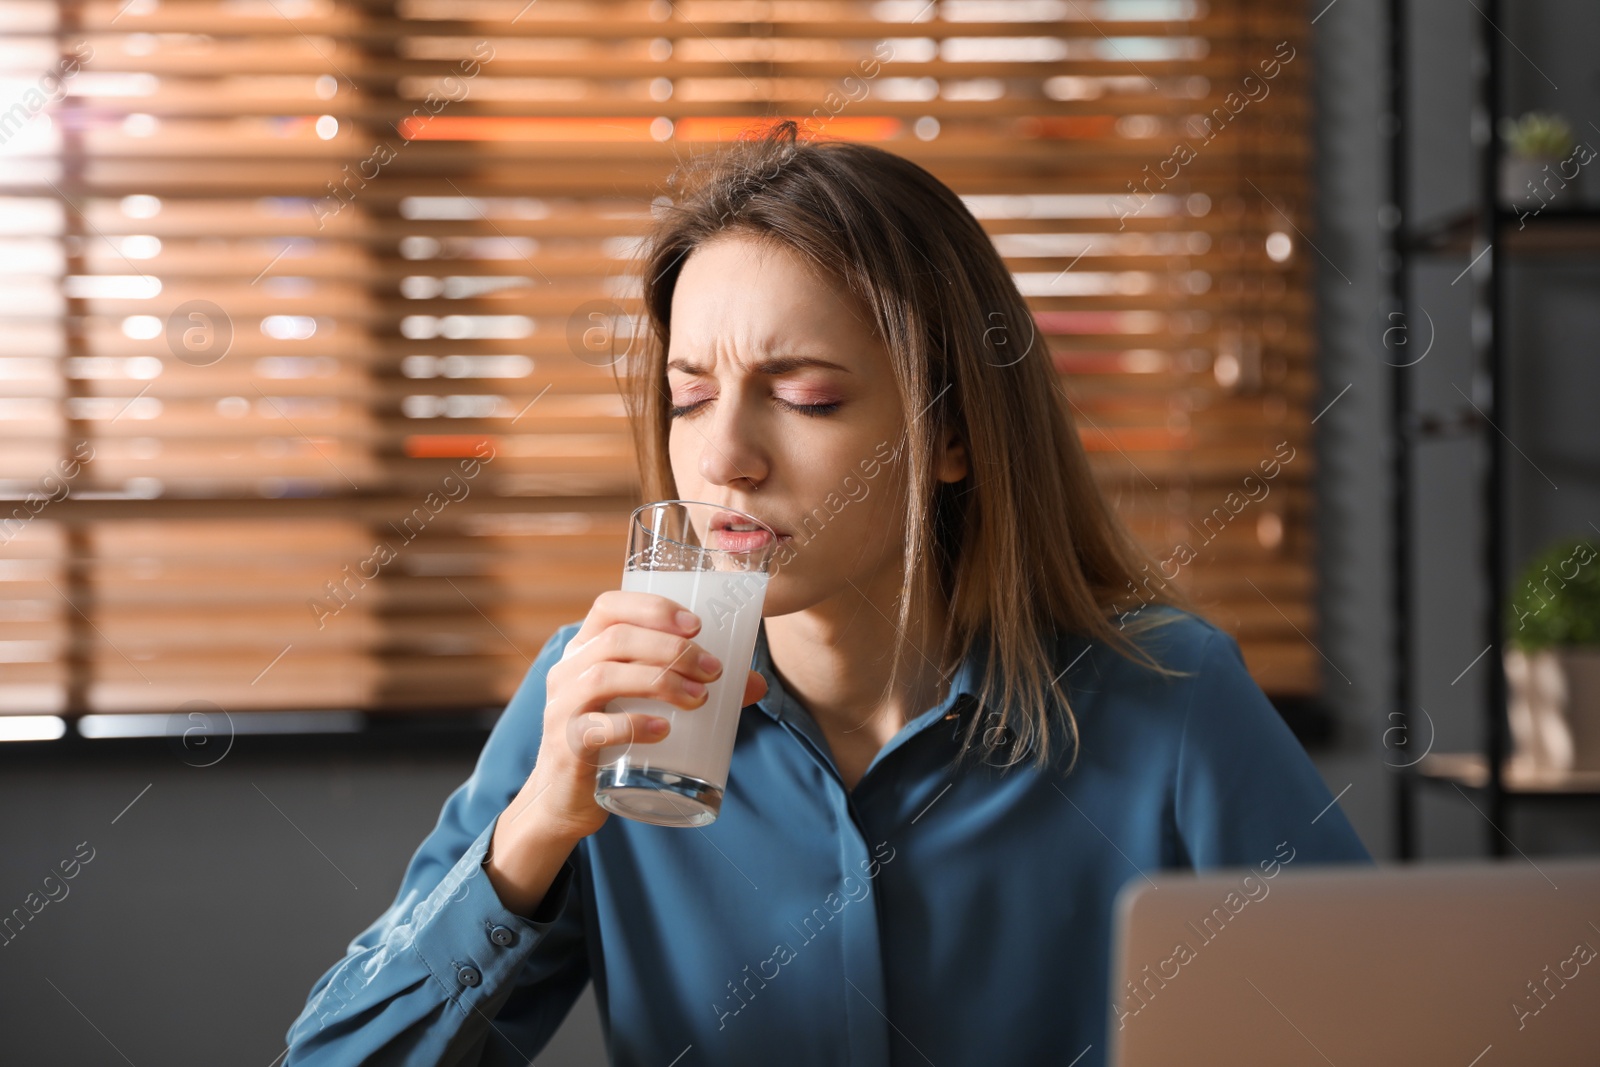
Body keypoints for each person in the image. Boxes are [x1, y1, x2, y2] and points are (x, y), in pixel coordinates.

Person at [284, 120, 1370, 1066]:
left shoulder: (1166, 697)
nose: (724, 459)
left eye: (801, 396)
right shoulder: (600, 704)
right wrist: (531, 832)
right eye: (690, 395)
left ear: (951, 433)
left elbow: (1379, 1028)